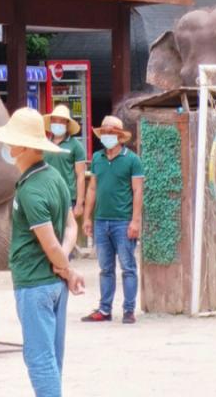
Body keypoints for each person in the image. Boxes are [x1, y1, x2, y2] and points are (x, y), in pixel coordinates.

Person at [0, 107, 85, 397]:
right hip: (54, 284)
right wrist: (65, 266)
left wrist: (64, 265)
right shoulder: (55, 177)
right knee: (53, 358)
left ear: (23, 147)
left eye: (11, 141)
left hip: (34, 283)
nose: (7, 147)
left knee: (39, 359)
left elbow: (50, 243)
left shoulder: (30, 190)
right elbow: (70, 228)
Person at [82, 114, 145, 324]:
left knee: (128, 267)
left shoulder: (132, 160)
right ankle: (104, 309)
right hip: (101, 221)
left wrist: (135, 221)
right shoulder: (98, 159)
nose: (106, 136)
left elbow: (138, 191)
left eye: (111, 133)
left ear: (119, 136)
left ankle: (129, 310)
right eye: (104, 132)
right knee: (105, 268)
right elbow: (92, 188)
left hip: (122, 221)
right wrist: (87, 218)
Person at [43, 105, 87, 226]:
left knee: (68, 234)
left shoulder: (76, 146)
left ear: (67, 124)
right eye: (55, 120)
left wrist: (79, 203)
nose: (58, 123)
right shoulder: (44, 144)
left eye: (61, 121)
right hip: (46, 196)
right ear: (50, 122)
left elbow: (81, 176)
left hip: (67, 198)